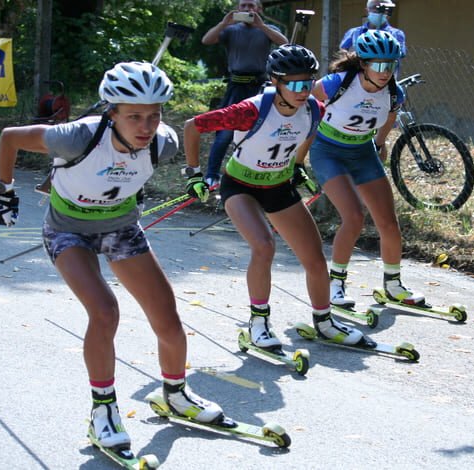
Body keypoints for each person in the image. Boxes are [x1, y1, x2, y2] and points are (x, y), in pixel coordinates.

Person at [0, 61, 229, 457]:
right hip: (68, 231)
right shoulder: (76, 137)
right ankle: (103, 412)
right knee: (105, 310)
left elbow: (187, 138)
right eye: (134, 116)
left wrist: (193, 174)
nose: (146, 126)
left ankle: (176, 395)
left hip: (122, 229)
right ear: (110, 112)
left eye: (153, 116)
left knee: (168, 320)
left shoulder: (162, 141)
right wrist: (4, 193)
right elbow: (10, 137)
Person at [183, 44, 375, 352]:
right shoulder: (251, 110)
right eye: (294, 84)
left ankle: (324, 322)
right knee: (264, 245)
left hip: (278, 186)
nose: (302, 91)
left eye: (307, 82)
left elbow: (310, 132)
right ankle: (258, 323)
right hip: (241, 186)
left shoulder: (315, 108)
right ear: (275, 81)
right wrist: (193, 173)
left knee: (313, 257)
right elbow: (193, 126)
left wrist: (297, 165)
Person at [300, 30, 427, 310]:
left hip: (362, 151)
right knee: (354, 216)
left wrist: (380, 142)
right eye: (379, 65)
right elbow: (303, 102)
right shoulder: (337, 83)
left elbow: (391, 115)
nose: (386, 72)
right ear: (364, 64)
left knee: (389, 223)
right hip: (328, 151)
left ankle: (393, 285)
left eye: (391, 65)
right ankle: (335, 283)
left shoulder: (394, 91)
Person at [201, 0, 288, 188]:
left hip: (260, 86)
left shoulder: (266, 29)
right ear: (237, 9)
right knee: (225, 132)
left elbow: (285, 43)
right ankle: (211, 175)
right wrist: (224, 23)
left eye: (252, 6)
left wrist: (261, 25)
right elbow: (206, 40)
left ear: (259, 9)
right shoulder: (231, 30)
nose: (247, 10)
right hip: (236, 85)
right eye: (243, 6)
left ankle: (254, 172)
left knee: (260, 129)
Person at [339, 1, 406, 59]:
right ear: (367, 11)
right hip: (358, 72)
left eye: (384, 9)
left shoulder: (396, 34)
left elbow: (401, 53)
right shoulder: (354, 32)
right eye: (375, 8)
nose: (379, 12)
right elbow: (343, 50)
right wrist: (355, 56)